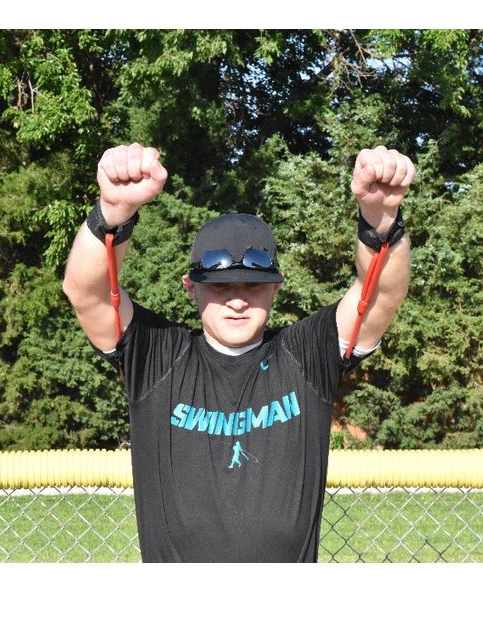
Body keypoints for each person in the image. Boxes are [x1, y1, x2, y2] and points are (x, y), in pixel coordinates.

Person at [62, 142, 414, 562]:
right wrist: (112, 212)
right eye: (220, 286)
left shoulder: (305, 357)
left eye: (253, 285)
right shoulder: (158, 357)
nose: (236, 300)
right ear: (191, 287)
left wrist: (380, 220)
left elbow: (380, 294)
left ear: (276, 287)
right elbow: (87, 292)